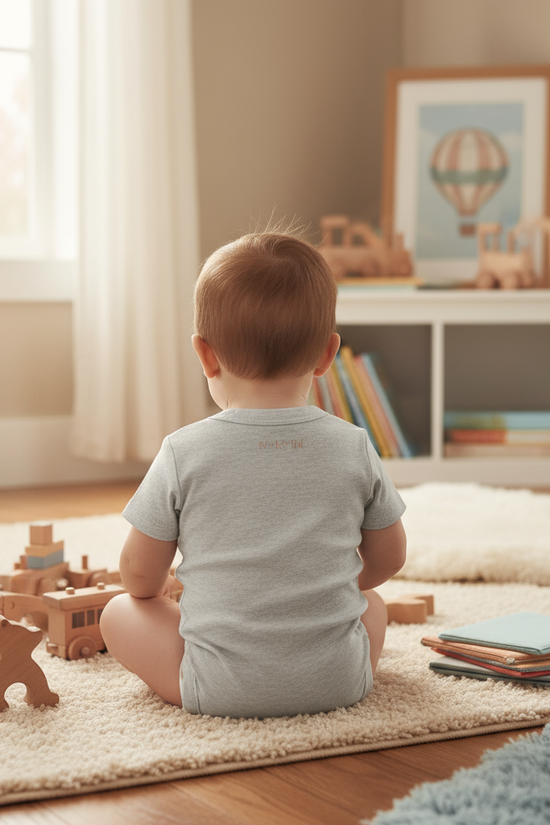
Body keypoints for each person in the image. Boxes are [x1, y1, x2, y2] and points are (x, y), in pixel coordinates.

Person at [100, 230, 407, 718]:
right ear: (328, 354)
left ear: (205, 353)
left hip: (218, 687)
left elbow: (138, 575)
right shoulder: (353, 445)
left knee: (118, 612)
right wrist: (332, 586)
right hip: (340, 682)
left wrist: (163, 598)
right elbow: (389, 559)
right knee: (372, 606)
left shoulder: (183, 451)